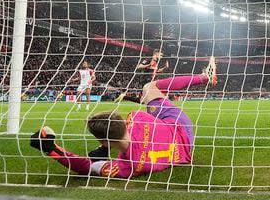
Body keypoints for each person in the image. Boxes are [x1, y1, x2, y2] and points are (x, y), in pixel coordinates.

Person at [30, 57, 218, 178]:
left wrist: (51, 149)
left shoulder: (129, 167)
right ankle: (203, 78)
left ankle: (203, 77)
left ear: (105, 142)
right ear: (123, 121)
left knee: (148, 93)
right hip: (178, 125)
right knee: (150, 87)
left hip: (184, 153)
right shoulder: (137, 117)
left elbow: (87, 167)